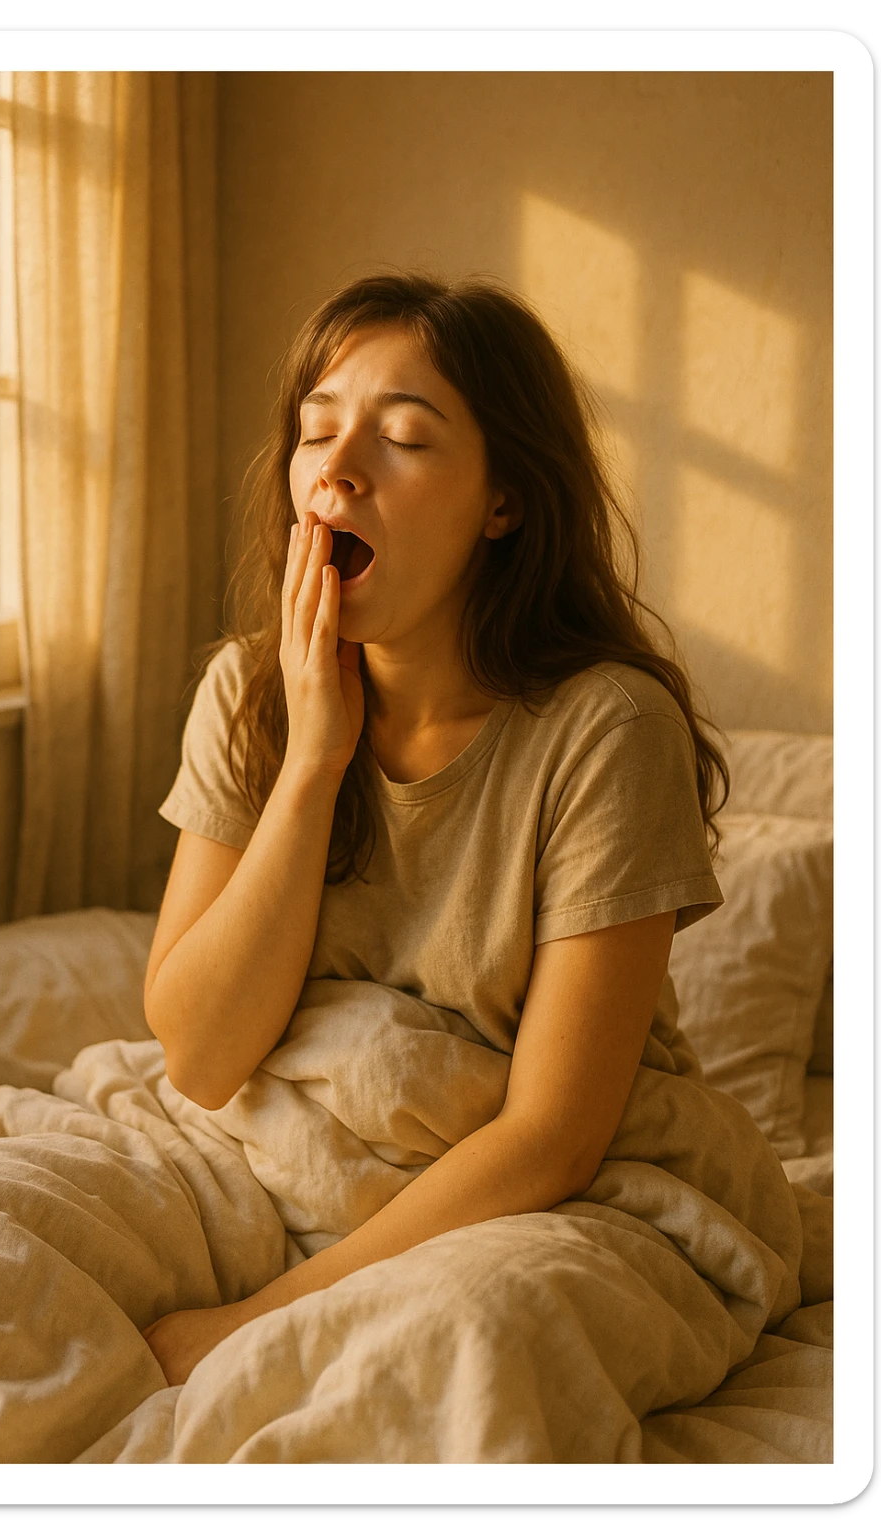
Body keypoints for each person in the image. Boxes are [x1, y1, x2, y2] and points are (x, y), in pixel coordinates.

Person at [140, 270, 736, 1389]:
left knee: (471, 1344)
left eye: (404, 439)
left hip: (529, 1187)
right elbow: (201, 1054)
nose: (338, 467)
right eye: (316, 432)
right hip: (272, 1147)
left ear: (502, 500)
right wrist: (314, 761)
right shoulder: (246, 692)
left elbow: (553, 1137)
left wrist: (256, 1323)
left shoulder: (608, 730)